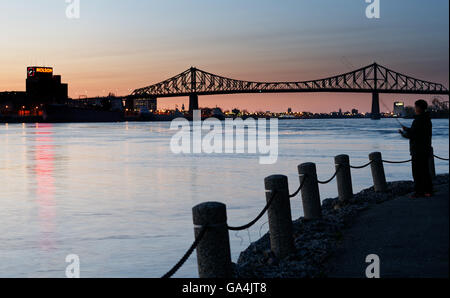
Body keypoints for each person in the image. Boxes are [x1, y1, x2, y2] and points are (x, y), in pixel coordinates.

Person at [399, 100, 433, 198]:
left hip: (418, 150)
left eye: (415, 107)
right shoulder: (426, 119)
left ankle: (419, 192)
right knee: (425, 171)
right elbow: (418, 132)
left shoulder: (418, 120)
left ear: (419, 108)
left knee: (417, 172)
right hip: (425, 148)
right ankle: (428, 191)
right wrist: (407, 129)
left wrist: (403, 134)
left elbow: (415, 135)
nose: (414, 108)